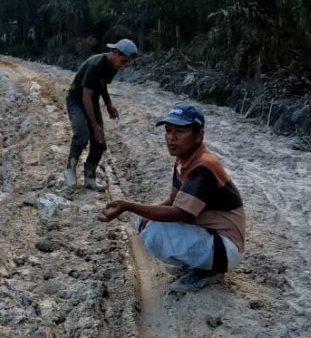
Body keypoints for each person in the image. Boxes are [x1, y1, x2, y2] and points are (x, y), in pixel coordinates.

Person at [98, 104, 246, 292]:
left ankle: (210, 270)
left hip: (225, 248)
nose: (171, 137)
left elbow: (179, 212)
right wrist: (140, 213)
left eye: (180, 131)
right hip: (213, 237)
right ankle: (198, 263)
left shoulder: (203, 167)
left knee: (155, 230)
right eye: (168, 131)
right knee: (144, 221)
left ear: (199, 135)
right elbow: (173, 200)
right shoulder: (185, 160)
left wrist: (128, 205)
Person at [64, 38, 138, 190]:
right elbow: (85, 97)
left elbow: (102, 86)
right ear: (115, 53)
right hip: (77, 101)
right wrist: (95, 126)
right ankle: (70, 170)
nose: (124, 66)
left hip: (93, 100)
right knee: (82, 135)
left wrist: (109, 104)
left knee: (100, 143)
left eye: (126, 63)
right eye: (123, 61)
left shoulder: (113, 66)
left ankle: (90, 178)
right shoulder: (95, 65)